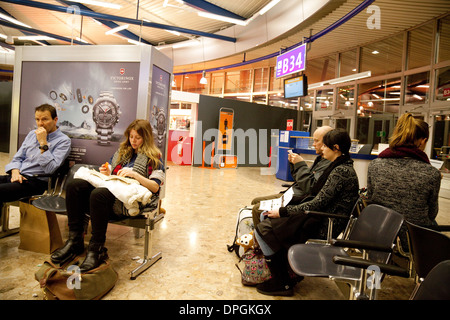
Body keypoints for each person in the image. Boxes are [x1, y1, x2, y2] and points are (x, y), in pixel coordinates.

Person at [254, 129, 359, 296]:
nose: (321, 148)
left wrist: (283, 212)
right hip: (319, 215)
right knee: (265, 218)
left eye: (325, 145)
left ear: (336, 148)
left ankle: (282, 280)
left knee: (263, 229)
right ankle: (286, 272)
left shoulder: (341, 171)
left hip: (324, 222)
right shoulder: (339, 166)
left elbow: (317, 203)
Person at [51, 119, 165, 272]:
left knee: (99, 194)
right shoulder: (123, 151)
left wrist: (135, 175)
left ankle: (96, 248)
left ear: (146, 137)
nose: (133, 141)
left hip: (127, 199)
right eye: (131, 137)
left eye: (137, 137)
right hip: (111, 190)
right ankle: (74, 240)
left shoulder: (155, 157)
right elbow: (111, 171)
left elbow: (155, 187)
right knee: (74, 185)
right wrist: (106, 171)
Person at [367, 113, 441, 250]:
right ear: (423, 141)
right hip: (414, 240)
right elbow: (432, 213)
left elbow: (371, 200)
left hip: (380, 233)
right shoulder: (432, 173)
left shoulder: (375, 165)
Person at [251, 126, 333, 227]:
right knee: (255, 201)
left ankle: (261, 236)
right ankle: (258, 233)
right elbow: (300, 180)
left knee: (257, 209)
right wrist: (295, 165)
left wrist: (300, 164)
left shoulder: (330, 164)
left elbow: (310, 187)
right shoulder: (320, 159)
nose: (314, 144)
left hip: (298, 199)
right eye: (313, 140)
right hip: (292, 193)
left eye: (317, 141)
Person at [1, 104, 71, 208]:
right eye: (37, 119)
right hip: (19, 176)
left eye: (45, 119)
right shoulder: (31, 134)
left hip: (36, 182)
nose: (40, 124)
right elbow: (17, 158)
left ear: (55, 120)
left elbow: (50, 169)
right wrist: (15, 173)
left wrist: (43, 142)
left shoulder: (64, 141)